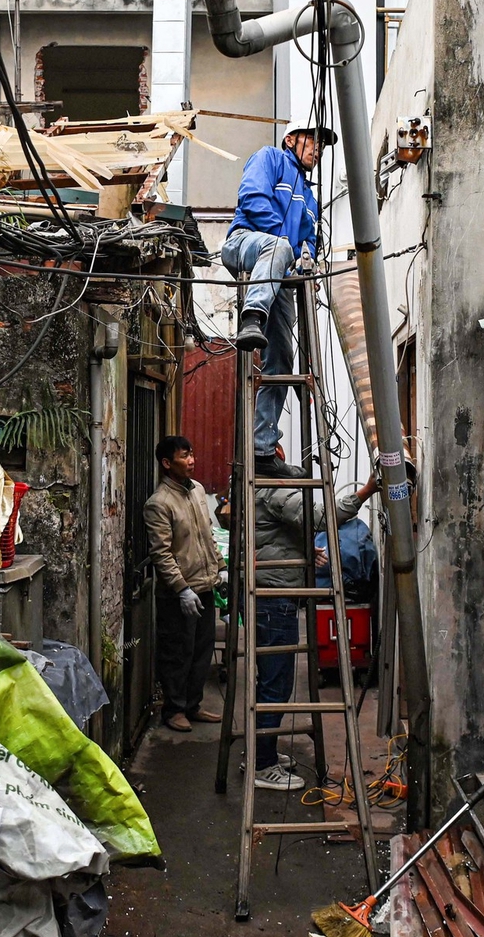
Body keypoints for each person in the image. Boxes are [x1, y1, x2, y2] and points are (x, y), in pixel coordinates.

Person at [248, 455, 376, 790]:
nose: (281, 453)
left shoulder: (259, 485)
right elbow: (321, 516)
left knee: (272, 682)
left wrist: (305, 551)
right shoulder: (273, 488)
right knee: (275, 684)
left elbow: (274, 536)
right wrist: (366, 491)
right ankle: (262, 765)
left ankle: (262, 751)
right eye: (273, 447)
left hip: (271, 595)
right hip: (275, 598)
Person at [220, 126, 332, 478]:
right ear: (290, 140)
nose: (317, 149)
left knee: (282, 358)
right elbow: (252, 198)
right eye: (311, 140)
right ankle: (251, 317)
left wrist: (307, 263)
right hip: (246, 244)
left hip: (280, 272)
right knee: (279, 246)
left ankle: (263, 449)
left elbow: (310, 241)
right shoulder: (269, 158)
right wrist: (287, 247)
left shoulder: (310, 198)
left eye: (321, 145)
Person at [142, 434, 224, 733]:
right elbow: (161, 554)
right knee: (177, 653)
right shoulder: (159, 503)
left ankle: (192, 705)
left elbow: (207, 535)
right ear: (167, 463)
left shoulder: (198, 490)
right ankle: (174, 709)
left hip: (204, 586)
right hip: (179, 595)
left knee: (202, 651)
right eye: (184, 456)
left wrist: (221, 568)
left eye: (191, 454)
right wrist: (181, 588)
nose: (191, 461)